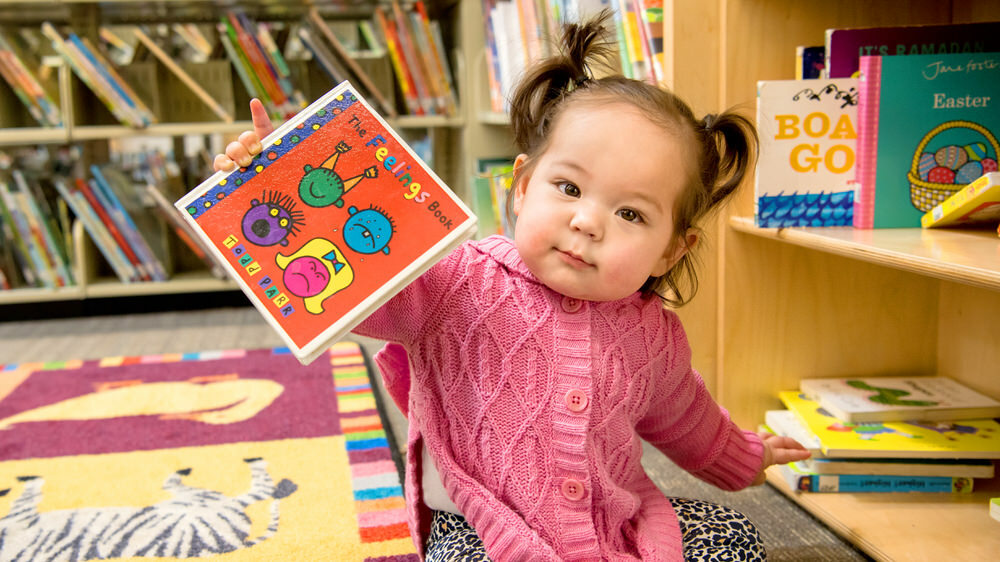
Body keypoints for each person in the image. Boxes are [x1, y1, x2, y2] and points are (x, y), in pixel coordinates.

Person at [214, 11, 809, 561]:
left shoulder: (654, 335)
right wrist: (276, 178)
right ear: (522, 186)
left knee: (735, 538)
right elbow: (359, 284)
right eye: (569, 189)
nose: (587, 222)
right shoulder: (456, 280)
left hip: (610, 522)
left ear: (672, 249)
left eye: (631, 214)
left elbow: (686, 417)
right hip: (479, 526)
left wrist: (750, 457)